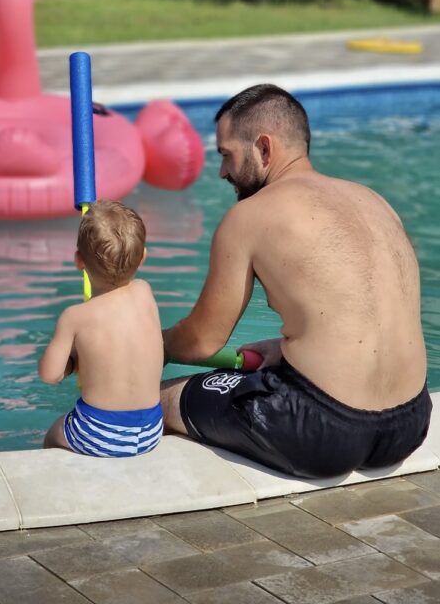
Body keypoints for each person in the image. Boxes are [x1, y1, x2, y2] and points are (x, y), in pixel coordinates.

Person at [160, 84, 432, 479]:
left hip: (322, 432)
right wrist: (286, 348)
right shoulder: (375, 201)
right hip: (408, 425)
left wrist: (156, 344)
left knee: (154, 397)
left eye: (226, 155)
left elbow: (201, 342)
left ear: (263, 148)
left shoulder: (249, 216)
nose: (222, 172)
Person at [38, 199, 164, 457]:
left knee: (54, 432)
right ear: (143, 257)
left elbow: (50, 375)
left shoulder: (74, 316)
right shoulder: (145, 292)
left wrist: (72, 363)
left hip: (100, 433)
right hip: (151, 430)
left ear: (78, 260)